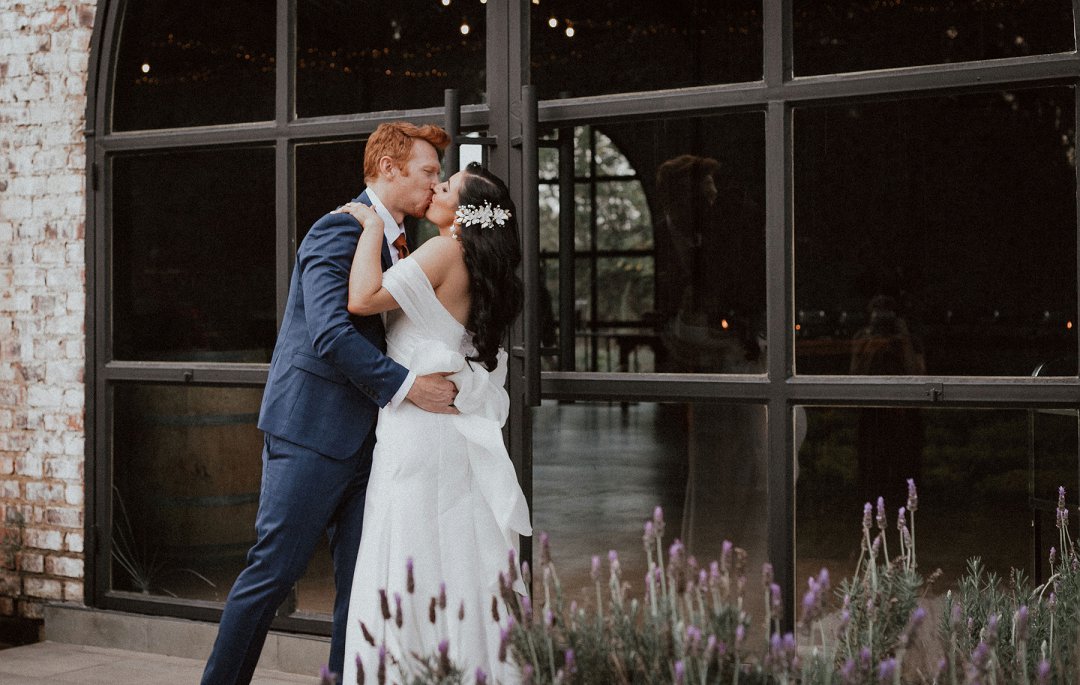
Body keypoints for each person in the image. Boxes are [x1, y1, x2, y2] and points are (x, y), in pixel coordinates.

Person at [201, 122, 461, 685]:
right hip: (311, 434)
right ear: (388, 169)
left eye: (438, 175)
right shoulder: (335, 231)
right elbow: (331, 335)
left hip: (373, 444)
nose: (434, 184)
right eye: (427, 172)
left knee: (360, 584)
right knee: (273, 574)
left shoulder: (405, 245)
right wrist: (411, 387)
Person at [334, 162, 531, 685]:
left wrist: (372, 225)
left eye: (446, 187)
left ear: (464, 214)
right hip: (451, 434)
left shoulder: (446, 250)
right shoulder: (483, 270)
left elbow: (361, 299)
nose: (435, 189)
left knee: (406, 549)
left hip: (418, 431)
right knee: (457, 555)